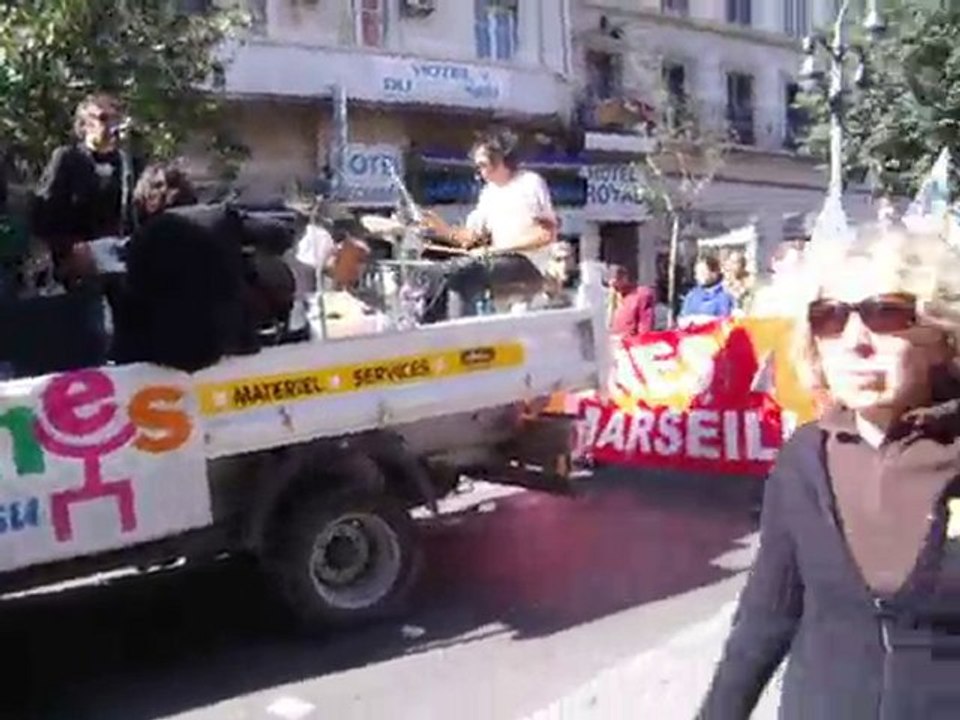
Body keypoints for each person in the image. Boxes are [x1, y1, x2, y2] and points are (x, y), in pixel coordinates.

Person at [699, 224, 960, 719]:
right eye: (831, 318)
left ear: (941, 336)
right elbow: (763, 620)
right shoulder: (804, 460)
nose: (855, 341)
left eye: (886, 313)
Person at [418, 129, 557, 317]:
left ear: (501, 159)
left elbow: (545, 235)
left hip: (529, 263)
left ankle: (457, 330)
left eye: (482, 165)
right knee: (440, 272)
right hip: (501, 259)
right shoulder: (488, 193)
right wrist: (441, 229)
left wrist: (498, 249)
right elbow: (470, 237)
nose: (479, 173)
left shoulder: (529, 183)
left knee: (463, 272)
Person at [679, 255, 735, 324]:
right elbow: (683, 318)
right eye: (697, 272)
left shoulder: (724, 296)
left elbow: (725, 321)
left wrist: (704, 320)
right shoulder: (692, 295)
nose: (698, 275)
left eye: (703, 271)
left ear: (714, 272)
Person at [606, 264, 655, 338]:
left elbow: (645, 329)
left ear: (624, 278)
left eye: (616, 281)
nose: (614, 286)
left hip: (631, 343)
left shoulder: (641, 295)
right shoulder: (610, 296)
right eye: (611, 284)